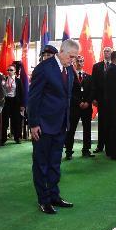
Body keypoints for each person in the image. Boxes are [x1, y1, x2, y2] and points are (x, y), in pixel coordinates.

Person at [27, 39, 78, 214]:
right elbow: (33, 98)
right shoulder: (44, 68)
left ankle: (54, 195)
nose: (73, 60)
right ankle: (44, 200)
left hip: (60, 124)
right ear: (62, 51)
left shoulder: (69, 69)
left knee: (55, 163)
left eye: (75, 57)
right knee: (41, 164)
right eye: (71, 56)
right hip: (43, 125)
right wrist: (33, 124)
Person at [66, 55, 94, 159]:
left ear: (83, 63)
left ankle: (86, 150)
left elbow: (92, 91)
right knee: (71, 130)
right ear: (74, 62)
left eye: (81, 61)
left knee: (87, 129)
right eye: (77, 61)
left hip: (87, 107)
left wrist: (87, 102)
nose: (79, 62)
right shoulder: (70, 77)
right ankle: (69, 151)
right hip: (75, 107)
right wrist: (79, 102)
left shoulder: (89, 77)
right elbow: (69, 92)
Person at [90, 46, 112, 153]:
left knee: (111, 123)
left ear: (111, 53)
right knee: (102, 123)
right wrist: (93, 98)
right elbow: (93, 83)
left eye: (108, 51)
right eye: (105, 51)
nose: (106, 52)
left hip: (112, 100)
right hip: (101, 100)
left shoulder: (115, 66)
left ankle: (110, 146)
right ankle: (100, 145)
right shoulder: (97, 66)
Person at [1, 63, 24, 145]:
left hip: (15, 101)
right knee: (5, 120)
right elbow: (1, 89)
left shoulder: (18, 80)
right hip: (6, 101)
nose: (9, 71)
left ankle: (17, 138)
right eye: (8, 70)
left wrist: (22, 105)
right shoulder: (4, 79)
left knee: (16, 120)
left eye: (11, 70)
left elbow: (21, 93)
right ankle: (3, 139)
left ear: (14, 71)